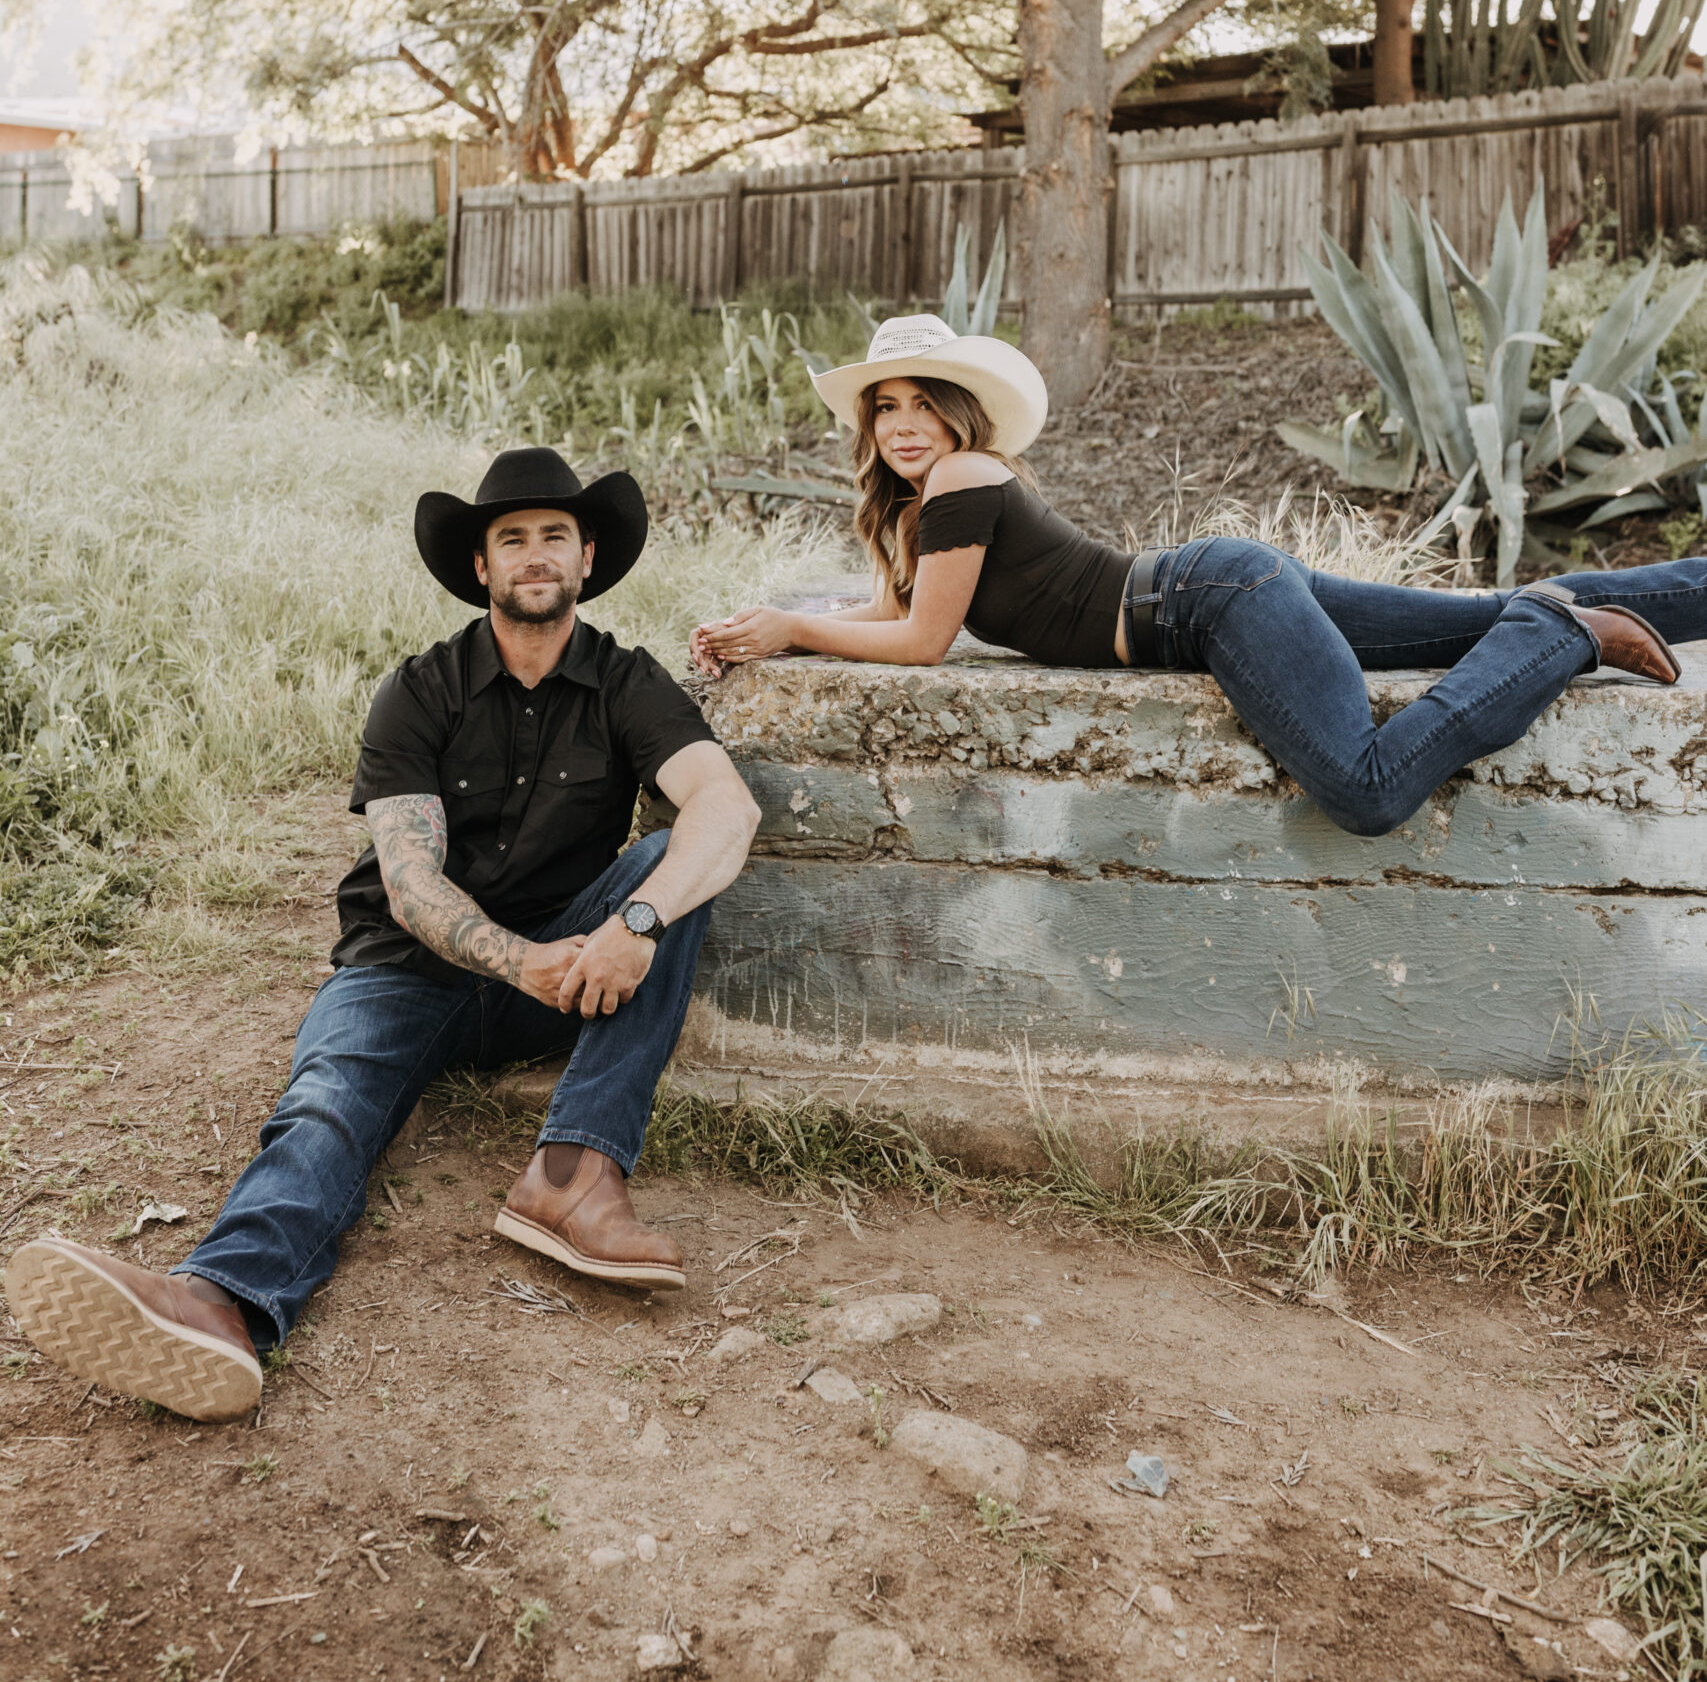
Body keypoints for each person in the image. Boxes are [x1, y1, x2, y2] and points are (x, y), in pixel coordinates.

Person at [5, 447, 759, 1423]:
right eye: (512, 538)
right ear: (481, 566)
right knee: (327, 1106)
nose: (536, 555)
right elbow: (409, 883)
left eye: (555, 537)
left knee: (680, 864)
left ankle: (573, 1177)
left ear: (587, 556)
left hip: (568, 965)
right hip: (408, 970)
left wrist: (634, 922)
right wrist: (518, 960)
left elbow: (727, 808)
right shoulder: (421, 689)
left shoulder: (626, 680)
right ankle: (221, 1303)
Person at [691, 311, 1701, 840]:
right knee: (1474, 617)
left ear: (956, 411)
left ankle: (1556, 635)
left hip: (1210, 606)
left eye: (921, 401)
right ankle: (1561, 614)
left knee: (1364, 790)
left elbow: (921, 644)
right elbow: (881, 610)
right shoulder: (917, 509)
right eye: (884, 407)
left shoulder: (961, 475)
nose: (903, 424)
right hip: (1218, 590)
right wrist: (766, 622)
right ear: (867, 423)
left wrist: (790, 631)